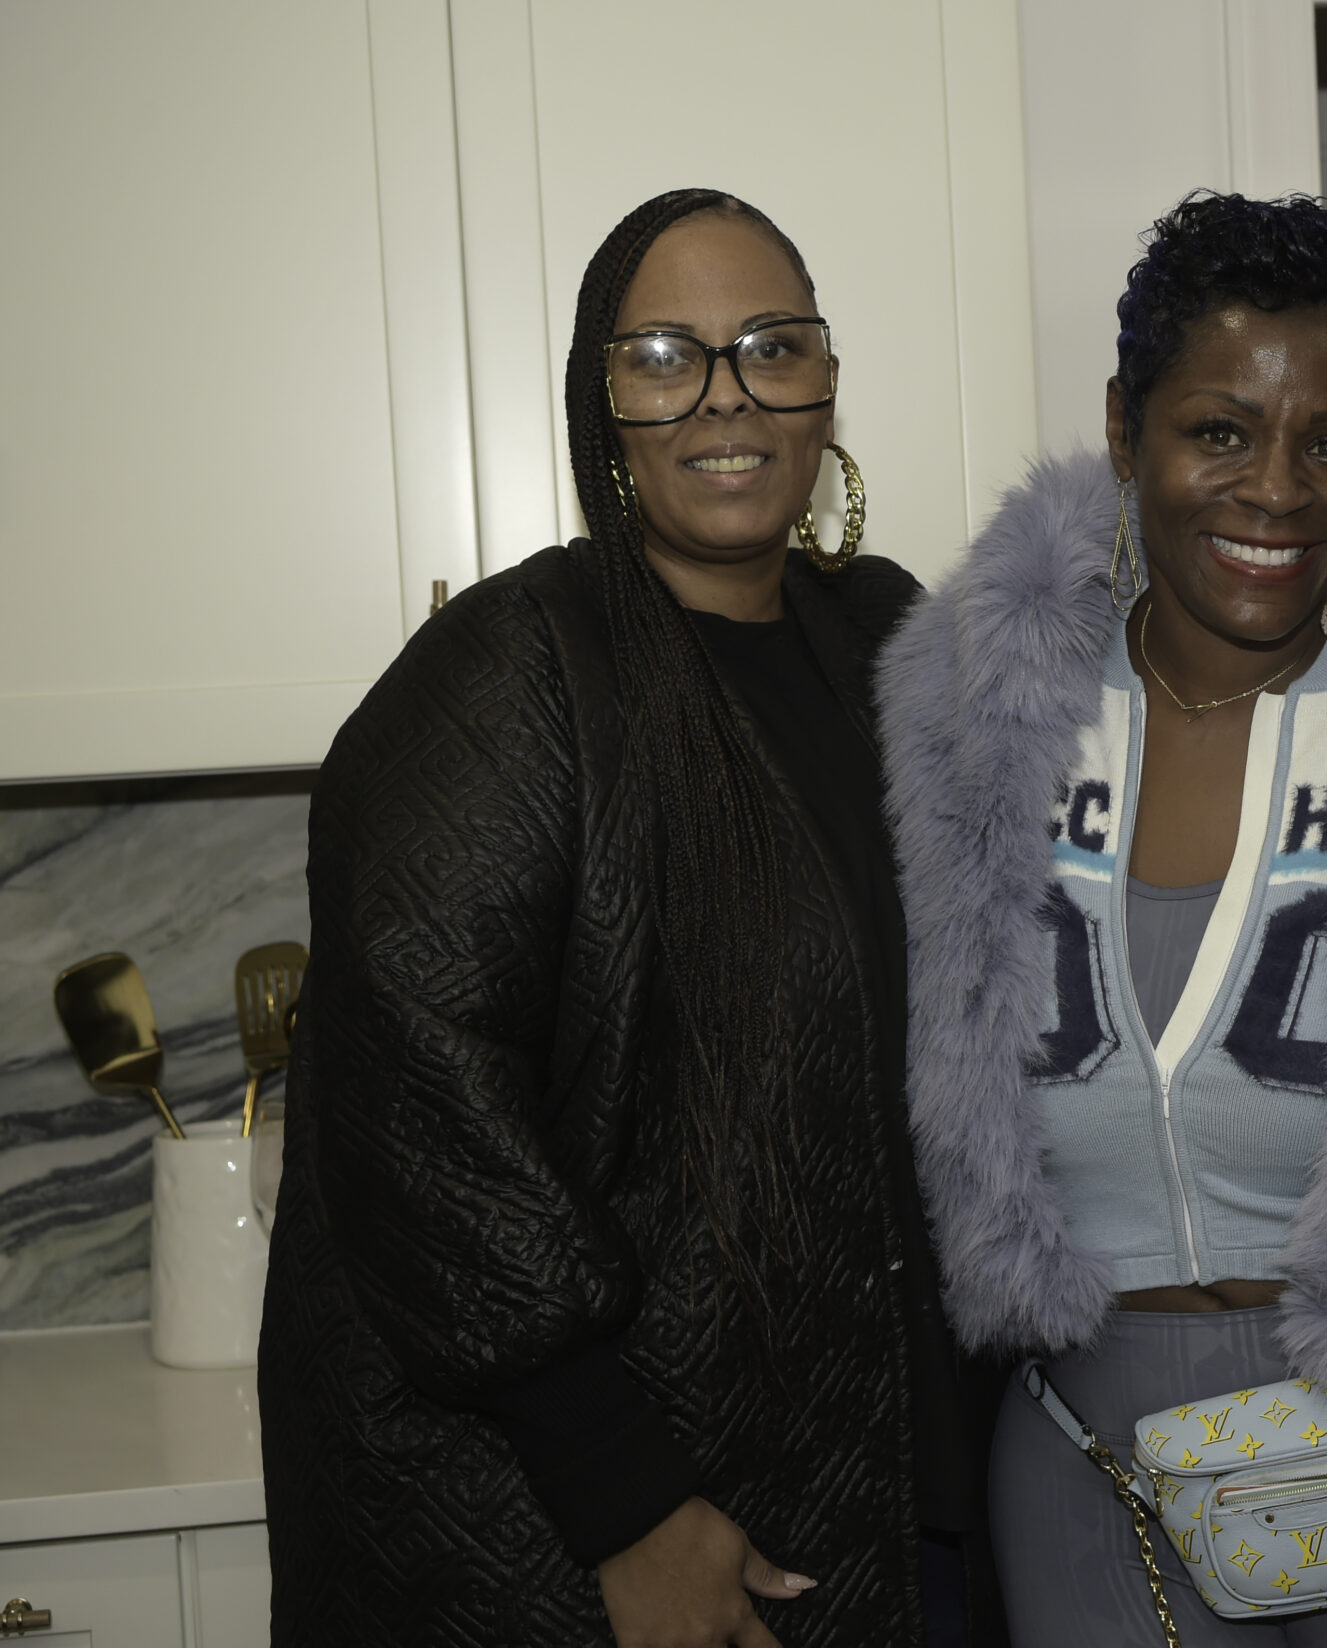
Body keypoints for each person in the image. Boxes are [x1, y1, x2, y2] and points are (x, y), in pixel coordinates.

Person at [878, 192, 1327, 1647]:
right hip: (1090, 1454)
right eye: (1219, 430)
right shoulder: (965, 701)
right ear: (1124, 428)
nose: (1277, 491)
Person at [261, 189, 995, 1647]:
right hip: (626, 1522)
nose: (725, 394)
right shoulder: (511, 674)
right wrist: (625, 1499)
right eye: (664, 356)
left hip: (910, 1481)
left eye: (771, 346)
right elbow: (416, 1112)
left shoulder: (894, 643)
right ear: (602, 402)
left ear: (826, 384)